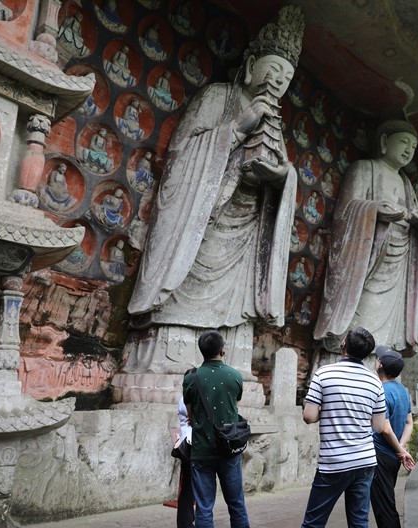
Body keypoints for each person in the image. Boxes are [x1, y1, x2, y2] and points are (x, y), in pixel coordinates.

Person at [126, 7, 303, 377]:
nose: (277, 81)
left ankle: (232, 361)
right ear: (251, 64)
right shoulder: (217, 96)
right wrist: (239, 126)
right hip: (202, 217)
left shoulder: (276, 121)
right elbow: (182, 154)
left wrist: (282, 176)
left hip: (244, 229)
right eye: (272, 69)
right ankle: (167, 356)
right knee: (184, 271)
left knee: (234, 307)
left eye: (286, 77)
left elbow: (280, 168)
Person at [314, 120, 418, 355]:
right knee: (361, 313)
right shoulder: (364, 169)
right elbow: (345, 211)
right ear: (385, 142)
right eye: (404, 142)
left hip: (397, 262)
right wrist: (375, 209)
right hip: (366, 260)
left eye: (414, 146)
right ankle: (346, 362)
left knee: (386, 328)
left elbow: (412, 215)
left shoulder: (407, 184)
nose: (409, 150)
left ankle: (379, 368)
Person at [301, 327, 387, 528]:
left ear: (343, 344)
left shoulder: (324, 374)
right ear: (367, 354)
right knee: (359, 522)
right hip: (365, 461)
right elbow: (379, 425)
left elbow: (309, 416)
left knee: (314, 522)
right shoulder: (375, 381)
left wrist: (330, 410)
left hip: (334, 462)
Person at [182, 330, 249, 528]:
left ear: (202, 350)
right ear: (222, 350)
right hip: (229, 449)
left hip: (201, 450)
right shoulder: (234, 376)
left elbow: (190, 415)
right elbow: (234, 404)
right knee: (236, 504)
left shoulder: (191, 378)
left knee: (203, 507)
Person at [370, 346, 415, 528]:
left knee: (384, 507)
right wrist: (401, 449)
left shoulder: (382, 391)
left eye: (377, 358)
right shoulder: (403, 390)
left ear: (380, 365)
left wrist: (400, 451)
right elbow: (409, 423)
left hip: (380, 453)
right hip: (393, 457)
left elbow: (385, 429)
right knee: (386, 500)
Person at [176, 391, 194, 528]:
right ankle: (185, 523)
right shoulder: (185, 399)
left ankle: (188, 521)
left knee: (192, 487)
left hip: (191, 444)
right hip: (188, 445)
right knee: (188, 486)